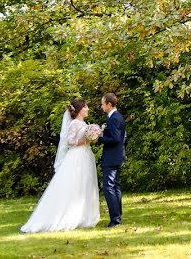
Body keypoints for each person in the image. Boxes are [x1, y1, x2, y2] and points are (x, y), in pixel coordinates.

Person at [20, 99, 100, 233]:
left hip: (86, 156)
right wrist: (86, 140)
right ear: (80, 109)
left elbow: (86, 139)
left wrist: (94, 137)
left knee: (84, 184)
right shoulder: (74, 123)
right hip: (76, 157)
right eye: (86, 107)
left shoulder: (84, 123)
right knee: (73, 185)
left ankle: (83, 216)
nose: (88, 109)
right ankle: (67, 216)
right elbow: (70, 142)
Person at [99, 93, 126, 227]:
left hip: (111, 157)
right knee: (115, 186)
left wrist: (99, 138)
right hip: (117, 156)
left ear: (109, 104)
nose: (101, 106)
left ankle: (115, 219)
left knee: (109, 187)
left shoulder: (114, 119)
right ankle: (117, 216)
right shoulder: (117, 117)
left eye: (103, 104)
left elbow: (115, 138)